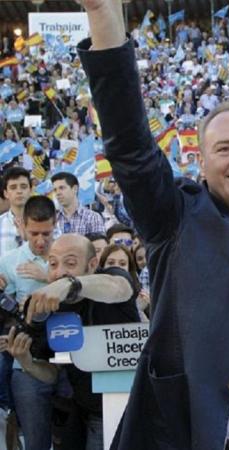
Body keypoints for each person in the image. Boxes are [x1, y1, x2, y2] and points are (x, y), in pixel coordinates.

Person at [72, 1, 229, 448]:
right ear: (200, 162)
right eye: (225, 149)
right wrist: (104, 14)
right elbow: (130, 146)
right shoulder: (176, 220)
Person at [36, 234, 139, 450]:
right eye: (53, 264)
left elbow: (120, 288)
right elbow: (52, 372)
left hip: (133, 411)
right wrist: (25, 359)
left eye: (70, 263)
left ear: (92, 264)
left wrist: (71, 284)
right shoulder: (56, 309)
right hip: (89, 415)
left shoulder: (110, 276)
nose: (59, 272)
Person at [0, 196, 56, 450]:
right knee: (36, 442)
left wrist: (47, 277)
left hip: (72, 363)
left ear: (56, 225)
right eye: (34, 233)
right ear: (22, 226)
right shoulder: (8, 263)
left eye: (47, 233)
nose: (41, 241)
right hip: (26, 364)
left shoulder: (69, 254)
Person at [52, 172, 105, 237]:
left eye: (61, 188)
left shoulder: (92, 217)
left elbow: (99, 245)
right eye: (55, 190)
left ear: (75, 189)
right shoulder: (52, 219)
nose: (58, 193)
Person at [0, 167, 32, 257]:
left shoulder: (45, 222)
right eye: (13, 187)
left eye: (23, 187)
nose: (19, 191)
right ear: (6, 193)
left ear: (30, 190)